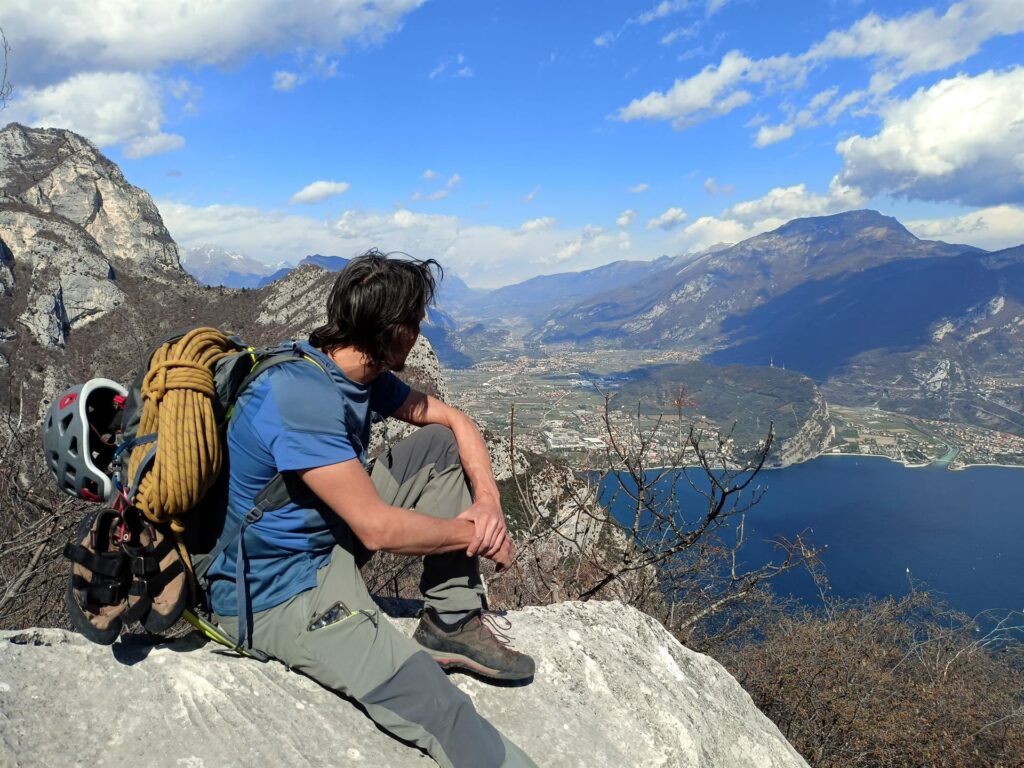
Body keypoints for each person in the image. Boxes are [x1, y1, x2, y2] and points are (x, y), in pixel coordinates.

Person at [206, 250, 537, 768]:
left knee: (440, 446)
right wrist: (475, 535)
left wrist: (489, 506)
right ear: (388, 331)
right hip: (279, 591)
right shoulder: (301, 396)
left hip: (322, 536)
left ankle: (450, 621)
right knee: (443, 711)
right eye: (414, 321)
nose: (421, 329)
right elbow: (377, 529)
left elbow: (455, 423)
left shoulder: (354, 369)